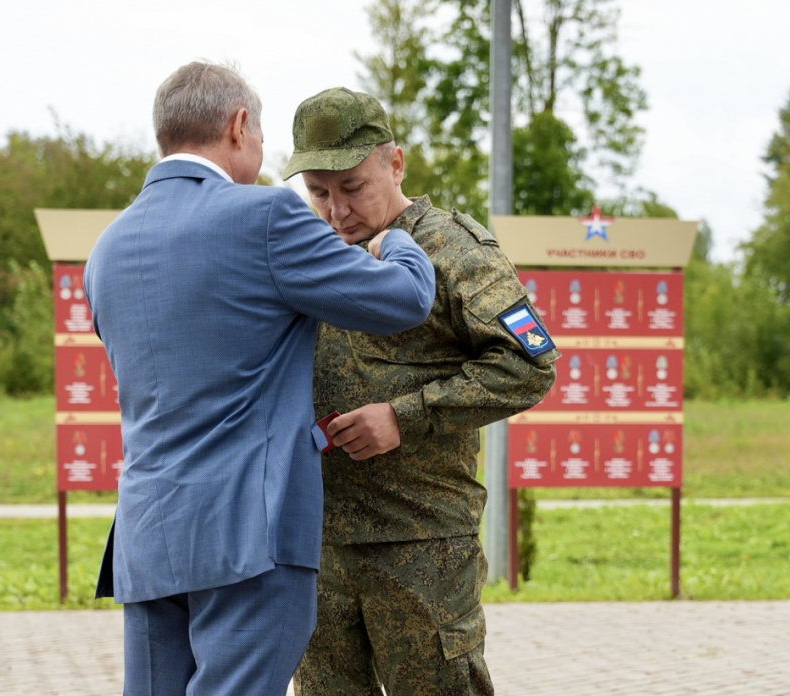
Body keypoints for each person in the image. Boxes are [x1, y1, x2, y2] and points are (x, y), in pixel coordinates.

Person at [83, 64, 436, 696]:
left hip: (148, 534)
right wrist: (394, 239)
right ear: (240, 126)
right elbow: (405, 299)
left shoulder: (109, 246)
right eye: (265, 137)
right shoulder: (265, 216)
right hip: (249, 530)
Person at [283, 87, 561, 696]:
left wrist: (407, 417)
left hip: (421, 545)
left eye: (353, 187)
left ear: (396, 163)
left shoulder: (453, 249)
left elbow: (531, 362)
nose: (337, 211)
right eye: (319, 192)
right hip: (319, 544)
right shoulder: (308, 254)